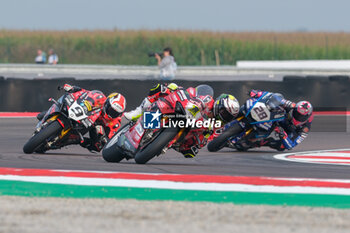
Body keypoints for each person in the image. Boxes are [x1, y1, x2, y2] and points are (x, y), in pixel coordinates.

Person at [124, 83, 240, 158]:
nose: (224, 116)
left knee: (190, 152)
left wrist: (199, 143)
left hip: (188, 130)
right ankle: (141, 110)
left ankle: (164, 143)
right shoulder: (208, 99)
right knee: (168, 87)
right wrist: (196, 102)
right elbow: (195, 94)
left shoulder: (217, 125)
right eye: (224, 112)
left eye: (228, 116)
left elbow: (206, 140)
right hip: (182, 108)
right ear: (219, 104)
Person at [37, 84, 126, 152]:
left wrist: (103, 137)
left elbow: (110, 139)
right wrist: (73, 88)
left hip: (91, 126)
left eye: (115, 113)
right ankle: (49, 113)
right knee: (65, 100)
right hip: (82, 112)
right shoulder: (99, 97)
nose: (111, 114)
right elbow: (85, 93)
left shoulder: (115, 122)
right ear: (107, 103)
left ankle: (61, 141)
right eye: (111, 110)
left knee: (96, 147)